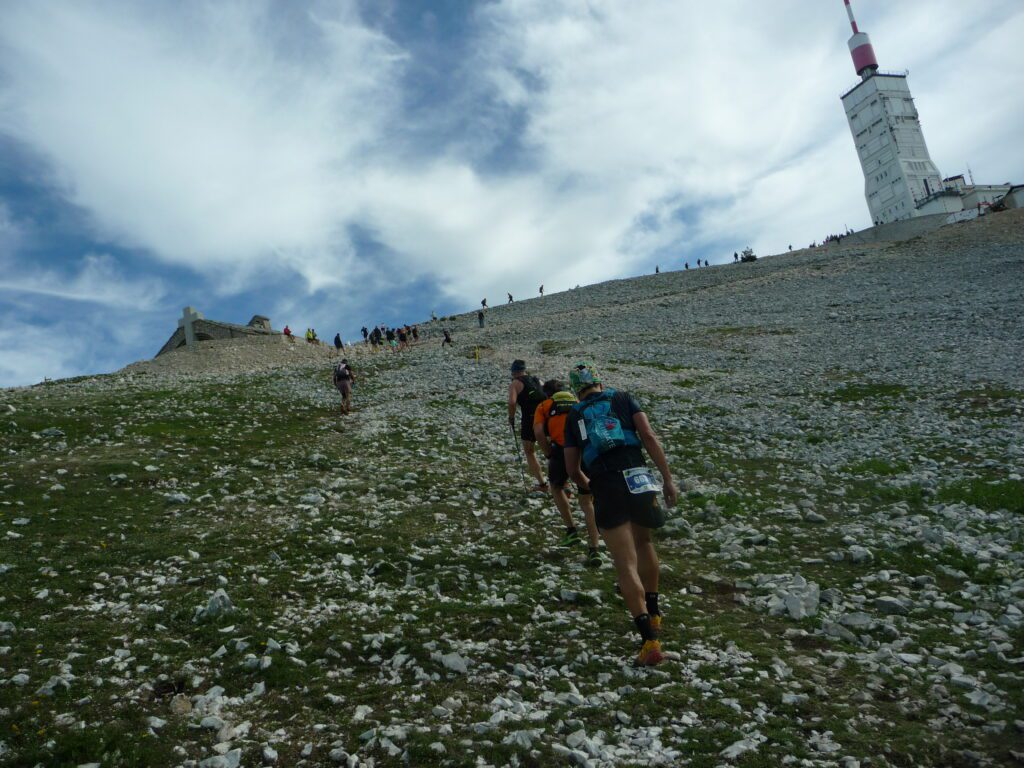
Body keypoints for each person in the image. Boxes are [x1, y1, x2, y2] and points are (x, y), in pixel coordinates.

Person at [563, 361, 679, 667]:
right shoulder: (624, 398)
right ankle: (654, 613)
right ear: (600, 381)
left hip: (605, 482)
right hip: (638, 476)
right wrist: (666, 478)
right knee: (645, 544)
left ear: (576, 389)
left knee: (625, 562)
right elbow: (649, 436)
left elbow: (572, 468)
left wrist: (590, 486)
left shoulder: (575, 415)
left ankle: (649, 642)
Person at [534, 379, 601, 563]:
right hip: (584, 451)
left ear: (547, 394)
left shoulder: (544, 405)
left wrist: (547, 451)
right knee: (587, 501)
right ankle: (594, 547)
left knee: (556, 487)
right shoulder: (578, 404)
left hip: (560, 452)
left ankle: (571, 530)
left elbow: (539, 432)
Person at [507, 360, 547, 492]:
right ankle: (561, 483)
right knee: (551, 450)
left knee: (529, 451)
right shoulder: (537, 380)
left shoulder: (515, 383)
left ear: (513, 372)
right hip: (545, 417)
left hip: (529, 420)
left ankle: (543, 484)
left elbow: (512, 402)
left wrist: (511, 417)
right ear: (525, 370)